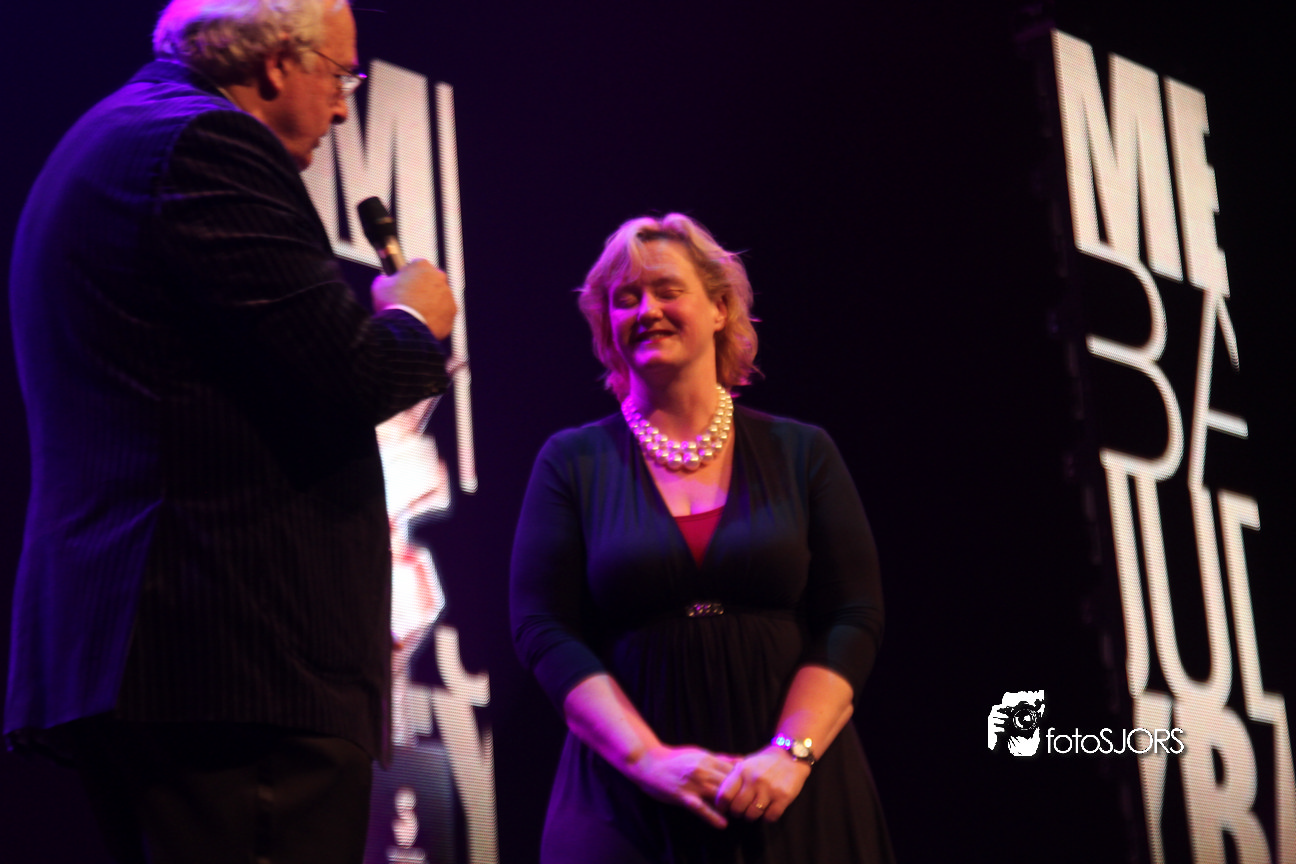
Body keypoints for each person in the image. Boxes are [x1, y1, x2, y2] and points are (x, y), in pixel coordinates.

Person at [4, 1, 457, 861]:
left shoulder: (118, 136)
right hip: (233, 664)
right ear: (279, 62)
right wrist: (412, 322)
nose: (343, 107)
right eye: (341, 77)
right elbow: (355, 376)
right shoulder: (208, 144)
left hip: (164, 659)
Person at [510, 213, 894, 862]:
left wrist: (791, 755)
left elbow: (854, 615)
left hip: (793, 787)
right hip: (627, 796)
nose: (646, 311)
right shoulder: (571, 462)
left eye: (667, 290)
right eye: (625, 299)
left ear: (720, 308)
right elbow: (542, 628)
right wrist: (649, 760)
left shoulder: (801, 451)